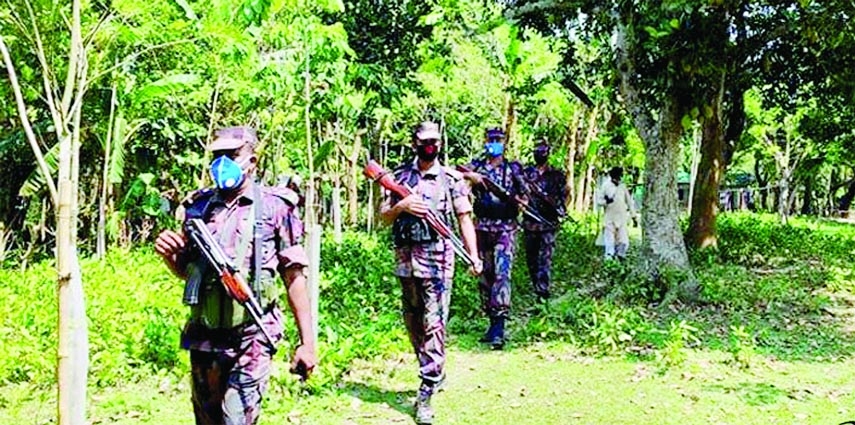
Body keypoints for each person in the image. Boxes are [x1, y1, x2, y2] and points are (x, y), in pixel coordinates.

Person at [154, 126, 317, 425]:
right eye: (217, 156)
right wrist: (170, 255)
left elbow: (293, 276)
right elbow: (187, 274)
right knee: (208, 420)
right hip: (204, 334)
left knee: (237, 418)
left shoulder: (274, 207)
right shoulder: (197, 207)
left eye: (232, 155)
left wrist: (307, 342)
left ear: (252, 161)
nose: (222, 163)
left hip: (252, 332)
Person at [380, 121, 482, 425]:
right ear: (415, 143)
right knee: (413, 321)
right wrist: (403, 206)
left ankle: (426, 389)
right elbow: (384, 218)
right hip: (405, 261)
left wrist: (473, 255)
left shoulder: (451, 179)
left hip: (438, 261)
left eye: (435, 141)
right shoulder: (398, 177)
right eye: (425, 141)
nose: (430, 146)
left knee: (434, 323)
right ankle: (432, 366)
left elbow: (464, 219)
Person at [461, 127, 529, 350]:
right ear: (485, 141)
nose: (494, 143)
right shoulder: (477, 166)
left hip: (505, 229)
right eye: (491, 139)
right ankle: (491, 324)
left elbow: (524, 193)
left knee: (502, 274)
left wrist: (521, 201)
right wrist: (471, 178)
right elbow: (457, 176)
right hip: (481, 227)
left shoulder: (513, 168)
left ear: (504, 142)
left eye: (498, 139)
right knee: (484, 277)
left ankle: (499, 327)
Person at [522, 142, 567, 301]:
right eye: (537, 151)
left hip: (548, 224)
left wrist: (560, 209)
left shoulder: (557, 175)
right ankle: (536, 286)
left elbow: (564, 197)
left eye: (543, 152)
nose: (539, 154)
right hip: (530, 223)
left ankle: (542, 293)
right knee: (531, 260)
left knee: (545, 260)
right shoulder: (526, 173)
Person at [595, 166, 637, 261]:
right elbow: (599, 201)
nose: (618, 179)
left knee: (623, 241)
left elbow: (629, 202)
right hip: (609, 218)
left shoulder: (622, 187)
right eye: (616, 177)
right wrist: (606, 202)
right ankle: (609, 260)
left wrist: (634, 217)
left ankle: (620, 257)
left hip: (621, 218)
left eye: (619, 177)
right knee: (609, 242)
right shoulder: (606, 186)